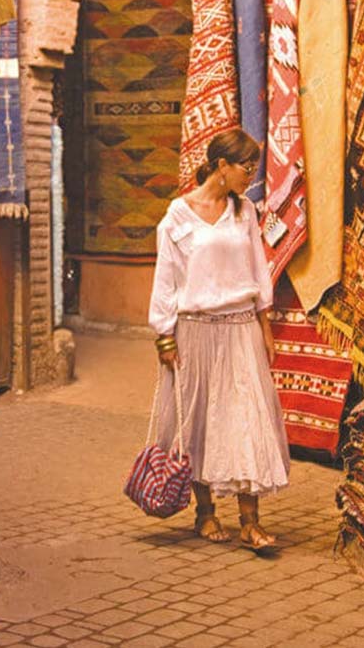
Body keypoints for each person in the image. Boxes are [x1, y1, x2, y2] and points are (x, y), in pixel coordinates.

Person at [147, 129, 290, 552]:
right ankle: (205, 513)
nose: (251, 175)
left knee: (247, 419)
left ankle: (250, 521)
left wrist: (265, 329)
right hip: (194, 330)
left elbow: (259, 271)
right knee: (199, 423)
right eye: (246, 167)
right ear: (222, 166)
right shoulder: (177, 215)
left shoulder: (245, 212)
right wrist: (164, 337)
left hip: (241, 327)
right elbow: (166, 279)